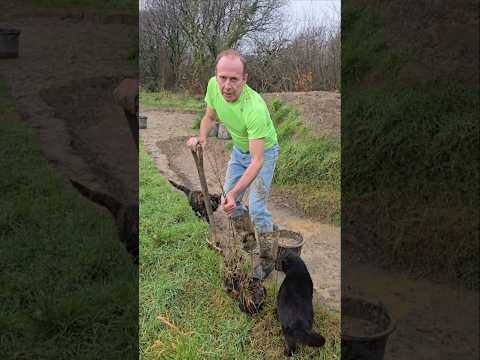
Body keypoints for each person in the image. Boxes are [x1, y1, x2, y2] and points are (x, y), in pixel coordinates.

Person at [186, 49, 279, 281]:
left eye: (234, 79)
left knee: (256, 207)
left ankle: (267, 259)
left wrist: (236, 192)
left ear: (244, 79)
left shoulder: (254, 108)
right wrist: (203, 137)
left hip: (263, 153)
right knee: (231, 202)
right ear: (216, 76)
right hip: (240, 150)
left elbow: (257, 161)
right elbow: (208, 117)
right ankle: (249, 242)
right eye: (222, 78)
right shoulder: (212, 86)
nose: (226, 85)